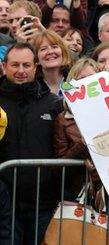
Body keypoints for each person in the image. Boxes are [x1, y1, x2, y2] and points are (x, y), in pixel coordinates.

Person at [0, 42, 62, 245]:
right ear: (4, 66)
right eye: (14, 65)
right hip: (4, 206)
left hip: (43, 205)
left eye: (26, 65)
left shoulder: (52, 103)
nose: (20, 71)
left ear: (35, 67)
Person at [54, 58, 100, 199]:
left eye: (92, 79)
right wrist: (82, 145)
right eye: (81, 80)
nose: (87, 84)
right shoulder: (63, 119)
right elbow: (60, 168)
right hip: (78, 193)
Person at [31, 30, 72, 96]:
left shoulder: (75, 80)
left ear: (62, 52)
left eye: (54, 47)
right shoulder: (32, 89)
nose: (50, 52)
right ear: (36, 58)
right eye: (43, 49)